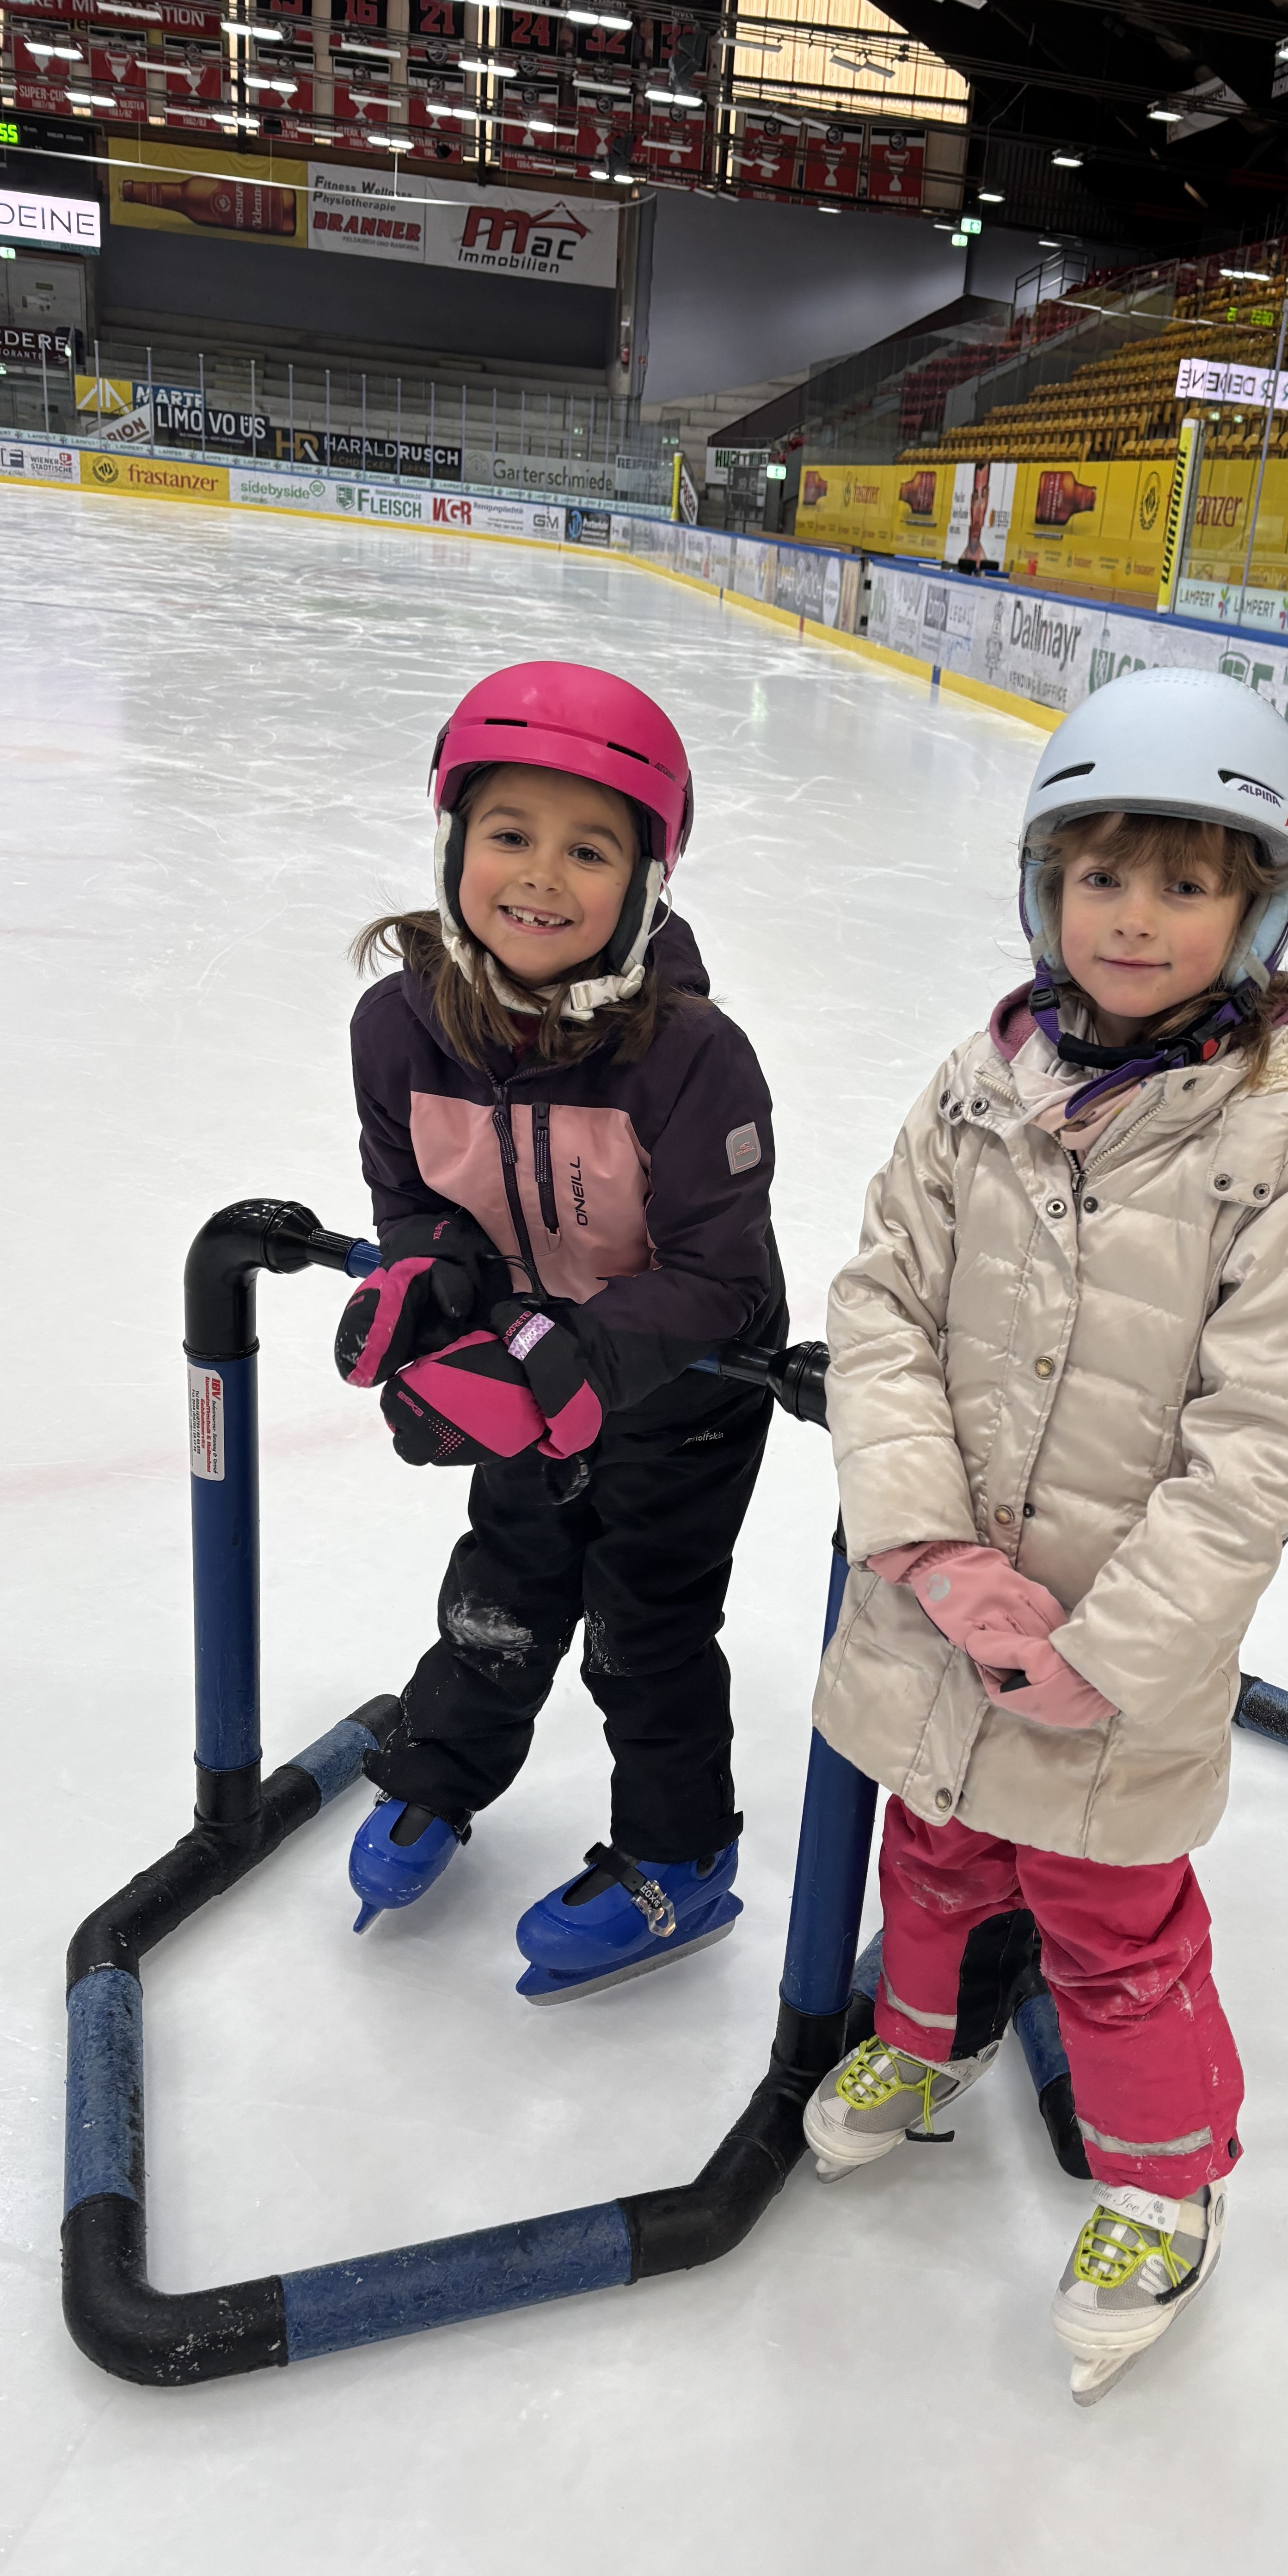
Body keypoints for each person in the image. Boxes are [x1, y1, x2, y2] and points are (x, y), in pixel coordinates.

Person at [802, 668, 1288, 2404]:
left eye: (1185, 883)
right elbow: (879, 1306)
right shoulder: (977, 1085)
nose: (1133, 916)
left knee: (1112, 1923)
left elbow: (1256, 1442)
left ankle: (1161, 2183)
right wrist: (926, 1550)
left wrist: (1110, 1653)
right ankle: (926, 2039)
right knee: (935, 1847)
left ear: (1257, 908)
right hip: (942, 1606)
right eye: (1100, 874)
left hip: (1120, 1651)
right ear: (1043, 888)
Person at [334, 662, 786, 2000]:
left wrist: (566, 1359)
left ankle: (681, 1857)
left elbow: (719, 1275)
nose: (541, 875)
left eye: (589, 850)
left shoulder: (693, 1056)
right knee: (504, 1582)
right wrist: (431, 1282)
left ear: (645, 882)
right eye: (509, 834)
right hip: (522, 1367)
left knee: (644, 1631)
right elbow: (412, 1199)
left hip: (685, 1392)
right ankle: (438, 1774)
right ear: (453, 844)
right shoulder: (395, 1029)